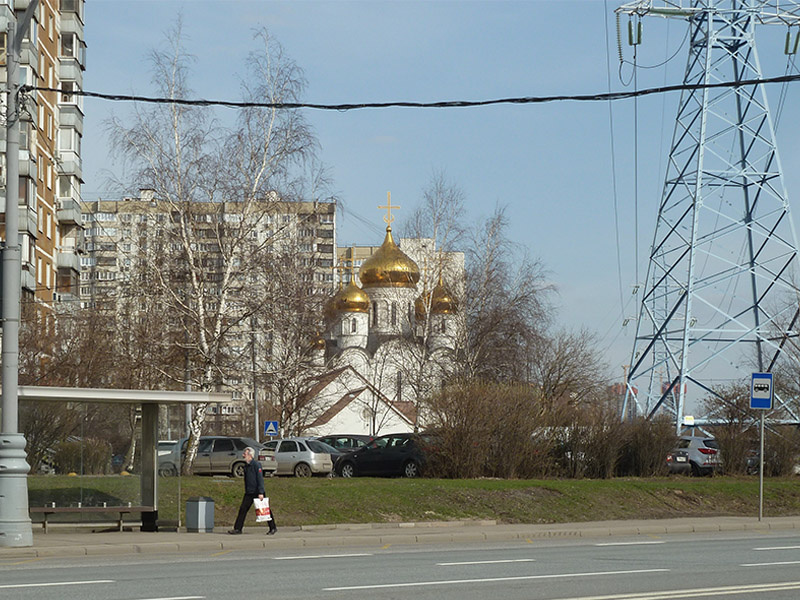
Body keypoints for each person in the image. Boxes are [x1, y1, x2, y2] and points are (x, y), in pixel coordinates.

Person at [228, 446, 277, 535]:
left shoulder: (256, 465)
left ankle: (272, 527)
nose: (243, 455)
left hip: (257, 491)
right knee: (243, 509)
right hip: (249, 492)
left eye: (245, 454)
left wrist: (261, 492)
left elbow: (260, 479)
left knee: (264, 510)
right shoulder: (246, 466)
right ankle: (238, 528)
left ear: (250, 455)